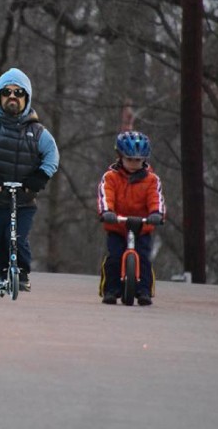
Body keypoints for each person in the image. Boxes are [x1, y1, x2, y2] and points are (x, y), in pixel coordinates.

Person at [0, 67, 59, 294]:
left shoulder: (38, 132)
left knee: (17, 236)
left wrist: (39, 177)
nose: (12, 97)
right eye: (7, 92)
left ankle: (23, 272)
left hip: (24, 199)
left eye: (18, 93)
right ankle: (0, 273)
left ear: (26, 98)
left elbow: (52, 156)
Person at [97, 131, 165, 306]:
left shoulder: (151, 180)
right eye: (130, 159)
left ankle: (144, 291)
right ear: (120, 157)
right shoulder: (111, 177)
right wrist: (107, 212)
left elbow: (155, 198)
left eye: (138, 160)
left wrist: (156, 213)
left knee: (143, 257)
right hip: (118, 225)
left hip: (142, 226)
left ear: (144, 160)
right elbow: (106, 195)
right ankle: (111, 290)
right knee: (114, 257)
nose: (134, 164)